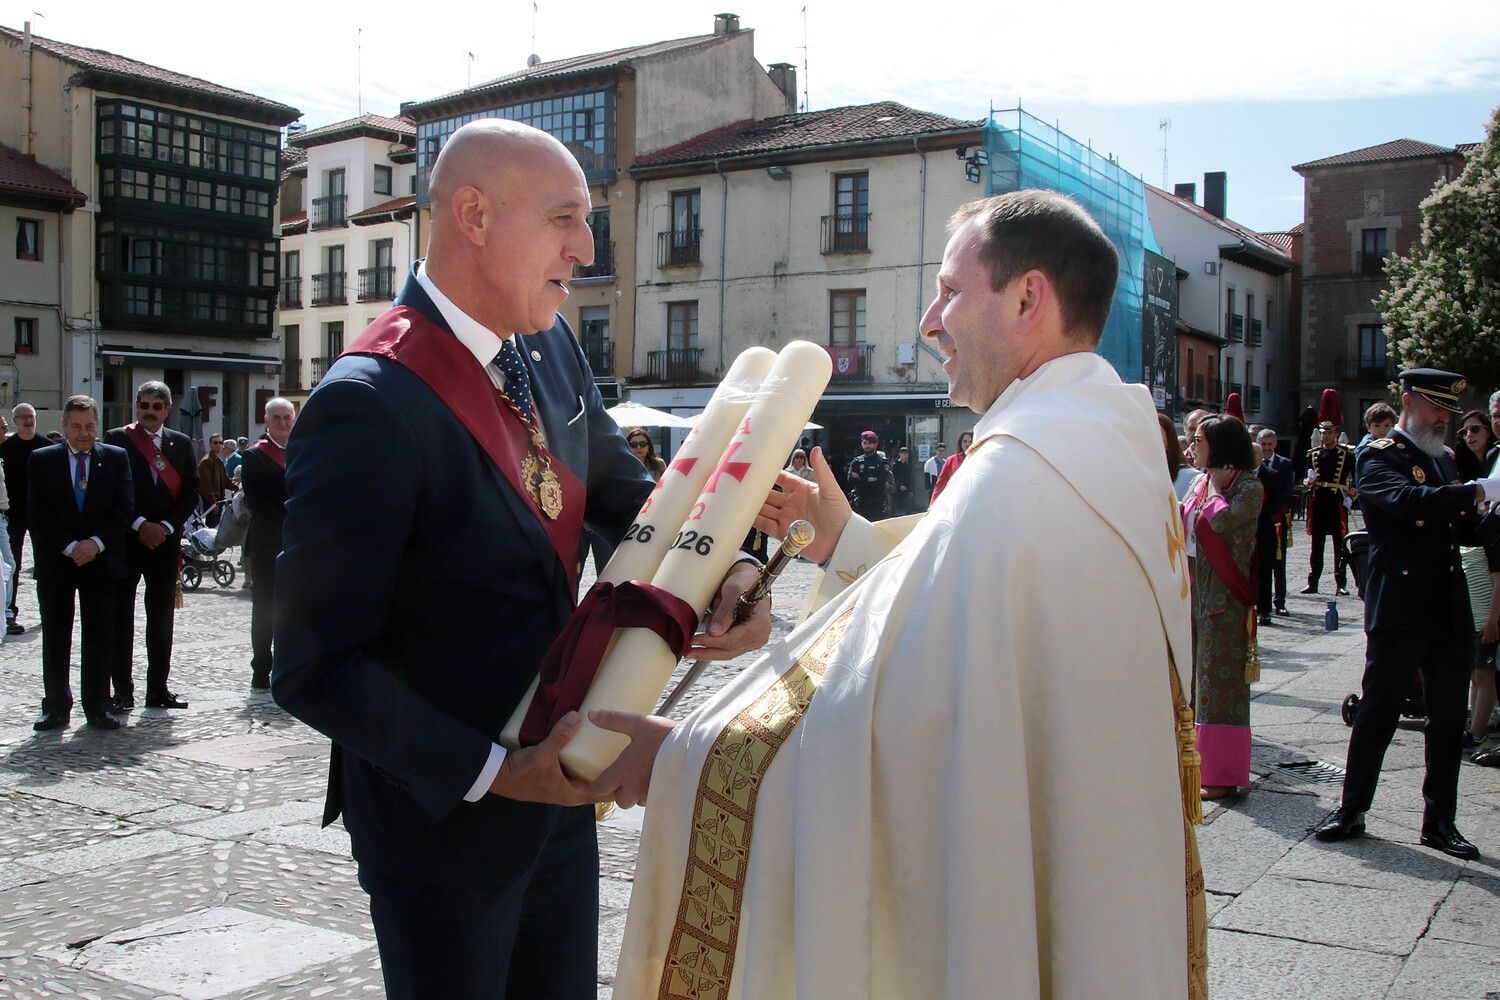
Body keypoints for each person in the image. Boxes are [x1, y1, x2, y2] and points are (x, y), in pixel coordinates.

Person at [599, 190, 1205, 999]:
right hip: (1108, 881)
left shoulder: (1019, 472)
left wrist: (679, 754)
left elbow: (884, 708)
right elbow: (957, 607)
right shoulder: (1107, 443)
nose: (928, 321)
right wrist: (847, 540)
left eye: (951, 291)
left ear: (1029, 298)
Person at [269, 119, 768, 1000]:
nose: (585, 249)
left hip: (560, 800)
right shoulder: (368, 404)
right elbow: (314, 668)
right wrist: (498, 772)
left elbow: (624, 499)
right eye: (566, 218)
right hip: (443, 823)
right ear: (473, 214)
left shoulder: (550, 347)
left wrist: (727, 572)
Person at [1316, 370, 1500, 859]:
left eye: (1448, 411)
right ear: (1408, 402)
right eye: (1436, 408)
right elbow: (1404, 502)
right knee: (1377, 712)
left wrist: (1492, 511)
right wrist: (1478, 491)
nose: (1445, 419)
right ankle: (1352, 807)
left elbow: (1462, 530)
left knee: (1445, 721)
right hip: (1400, 606)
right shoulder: (1377, 456)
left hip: (1445, 607)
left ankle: (1440, 822)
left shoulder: (1443, 462)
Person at [27, 395, 134, 731]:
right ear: (64, 426)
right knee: (56, 635)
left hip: (101, 562)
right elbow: (36, 512)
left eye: (89, 426)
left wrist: (96, 544)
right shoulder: (42, 459)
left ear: (97, 425)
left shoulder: (116, 459)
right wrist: (71, 545)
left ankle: (98, 706)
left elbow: (124, 508)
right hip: (58, 562)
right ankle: (56, 706)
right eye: (76, 426)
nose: (84, 433)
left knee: (100, 635)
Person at [1181, 416, 1264, 800]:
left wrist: (1212, 491)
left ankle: (1222, 775)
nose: (1192, 444)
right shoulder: (1201, 481)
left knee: (1221, 686)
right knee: (1198, 681)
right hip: (1197, 595)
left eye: (1198, 439)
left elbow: (1220, 522)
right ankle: (1197, 767)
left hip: (1226, 600)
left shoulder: (1249, 487)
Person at [104, 381, 199, 712]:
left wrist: (166, 527)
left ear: (167, 409)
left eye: (157, 407)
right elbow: (111, 491)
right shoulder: (118, 439)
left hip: (165, 543)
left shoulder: (182, 444)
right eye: (144, 405)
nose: (149, 412)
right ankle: (122, 691)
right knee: (122, 619)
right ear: (137, 406)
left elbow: (190, 493)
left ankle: (158, 689)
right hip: (128, 541)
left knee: (161, 619)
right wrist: (140, 524)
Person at [241, 400, 293, 692]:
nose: (283, 423)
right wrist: (292, 523)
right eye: (277, 418)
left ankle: (288, 665)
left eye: (287, 418)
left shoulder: (301, 449)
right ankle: (261, 667)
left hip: (299, 543)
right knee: (264, 608)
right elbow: (256, 502)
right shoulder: (254, 456)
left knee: (294, 607)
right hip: (266, 543)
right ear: (266, 420)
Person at [1455, 408, 1499, 754]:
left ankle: (1478, 730)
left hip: (1487, 561)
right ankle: (1476, 724)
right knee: (1476, 666)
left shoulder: (1495, 460)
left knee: (1484, 665)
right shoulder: (1462, 464)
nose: (1469, 435)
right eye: (1465, 430)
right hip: (1470, 562)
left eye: (1476, 429)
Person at [1, 402, 51, 634]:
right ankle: (9, 612)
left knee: (45, 564)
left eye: (31, 416)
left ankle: (48, 611)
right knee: (12, 565)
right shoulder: (6, 448)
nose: (28, 420)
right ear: (15, 422)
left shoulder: (46, 447)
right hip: (14, 515)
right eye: (23, 417)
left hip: (41, 514)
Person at [1302, 391, 1355, 595]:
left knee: (1339, 544)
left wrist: (1351, 496)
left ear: (1336, 432)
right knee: (1317, 545)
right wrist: (1308, 481)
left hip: (1336, 501)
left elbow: (1354, 478)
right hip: (1318, 501)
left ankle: (1340, 582)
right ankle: (1313, 581)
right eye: (1323, 432)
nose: (1326, 435)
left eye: (1330, 432)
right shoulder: (1313, 454)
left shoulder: (1346, 453)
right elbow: (1306, 478)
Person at [1256, 428, 1294, 618]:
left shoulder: (1285, 464)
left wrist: (1269, 512)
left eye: (1270, 444)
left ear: (1275, 444)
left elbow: (1287, 492)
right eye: (1263, 444)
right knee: (1260, 564)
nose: (1267, 448)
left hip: (1277, 520)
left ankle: (1279, 601)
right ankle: (1261, 603)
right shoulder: (1252, 465)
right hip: (1259, 523)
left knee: (1279, 562)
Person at [845, 429, 891, 520]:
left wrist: (860, 478)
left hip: (877, 502)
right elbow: (850, 480)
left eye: (870, 443)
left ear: (875, 444)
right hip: (861, 501)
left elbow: (881, 480)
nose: (867, 446)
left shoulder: (882, 462)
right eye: (865, 443)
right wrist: (867, 480)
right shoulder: (857, 461)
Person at [929, 428, 973, 502]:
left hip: (972, 501)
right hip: (954, 500)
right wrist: (933, 503)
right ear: (960, 442)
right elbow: (940, 483)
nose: (967, 444)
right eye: (965, 441)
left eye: (970, 442)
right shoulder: (951, 460)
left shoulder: (980, 460)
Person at [198, 433, 230, 522]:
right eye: (215, 443)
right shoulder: (206, 461)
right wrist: (213, 503)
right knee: (209, 531)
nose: (218, 445)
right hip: (209, 504)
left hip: (218, 502)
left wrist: (239, 485)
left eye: (220, 443)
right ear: (210, 445)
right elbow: (206, 485)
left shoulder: (219, 461)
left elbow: (226, 481)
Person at [891, 444, 914, 515]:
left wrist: (910, 490)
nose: (906, 456)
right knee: (897, 509)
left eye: (907, 454)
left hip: (907, 490)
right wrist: (899, 486)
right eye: (904, 454)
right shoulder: (895, 464)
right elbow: (893, 477)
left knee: (907, 509)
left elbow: (910, 478)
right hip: (897, 490)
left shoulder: (908, 465)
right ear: (900, 454)